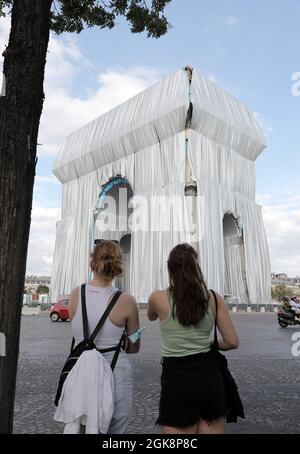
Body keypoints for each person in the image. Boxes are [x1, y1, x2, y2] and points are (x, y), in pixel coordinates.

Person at [147, 243, 239, 435]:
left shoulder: (157, 298)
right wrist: (210, 343)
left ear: (170, 268)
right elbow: (232, 341)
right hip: (209, 375)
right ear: (196, 267)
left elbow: (151, 316)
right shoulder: (214, 298)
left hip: (176, 378)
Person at [68, 240, 140, 434]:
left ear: (93, 263)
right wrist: (129, 336)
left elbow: (78, 332)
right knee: (116, 425)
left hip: (81, 366)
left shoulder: (76, 294)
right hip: (115, 367)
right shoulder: (126, 300)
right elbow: (134, 345)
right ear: (117, 267)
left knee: (81, 421)